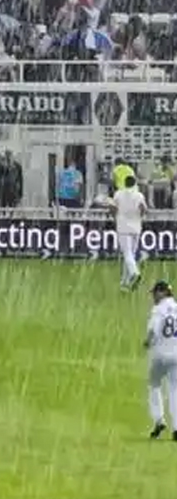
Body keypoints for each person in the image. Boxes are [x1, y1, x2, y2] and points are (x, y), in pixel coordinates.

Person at [99, 175, 147, 291]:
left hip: (123, 226)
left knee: (127, 253)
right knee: (131, 255)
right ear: (135, 183)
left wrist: (114, 217)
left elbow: (113, 208)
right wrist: (140, 217)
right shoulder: (139, 195)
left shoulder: (118, 194)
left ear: (125, 183)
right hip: (136, 227)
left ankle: (134, 273)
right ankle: (125, 282)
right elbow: (143, 209)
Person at [144, 280, 177, 440]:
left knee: (154, 385)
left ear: (162, 292)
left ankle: (159, 420)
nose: (154, 297)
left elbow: (153, 330)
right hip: (176, 356)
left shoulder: (158, 310)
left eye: (155, 293)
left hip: (159, 355)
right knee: (175, 390)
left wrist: (147, 342)